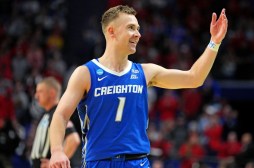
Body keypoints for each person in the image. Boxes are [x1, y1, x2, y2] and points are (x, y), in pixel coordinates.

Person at [49, 5, 228, 168]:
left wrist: (214, 42)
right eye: (131, 28)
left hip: (137, 162)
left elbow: (194, 78)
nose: (138, 34)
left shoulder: (145, 72)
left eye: (138, 29)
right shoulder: (86, 73)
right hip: (99, 162)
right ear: (112, 32)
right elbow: (61, 115)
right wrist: (57, 150)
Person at [30, 77, 81, 168]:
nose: (36, 95)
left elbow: (73, 139)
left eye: (40, 91)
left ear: (52, 93)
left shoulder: (57, 115)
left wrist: (55, 162)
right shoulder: (47, 114)